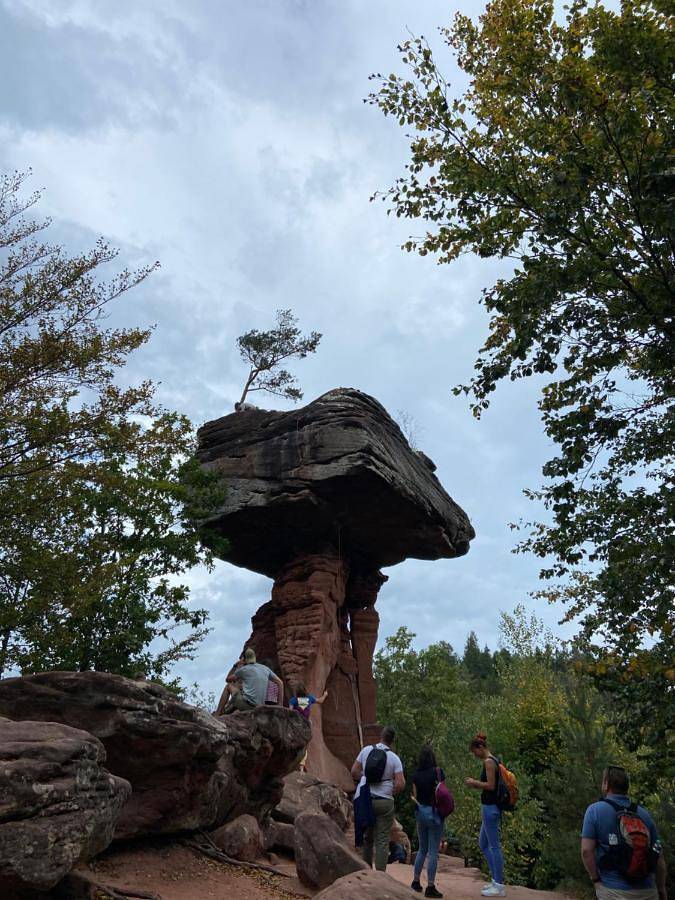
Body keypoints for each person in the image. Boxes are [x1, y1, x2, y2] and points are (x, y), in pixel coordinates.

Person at [581, 765, 667, 900]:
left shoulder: (595, 811)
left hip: (613, 891)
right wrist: (661, 887)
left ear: (606, 784)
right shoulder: (644, 814)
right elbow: (659, 857)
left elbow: (586, 851)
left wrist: (595, 879)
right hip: (648, 891)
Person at [351, 725, 405, 872]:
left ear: (381, 736)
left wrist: (365, 778)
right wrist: (390, 791)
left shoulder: (366, 750)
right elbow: (400, 784)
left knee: (368, 837)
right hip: (385, 801)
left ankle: (367, 870)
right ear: (392, 741)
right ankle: (380, 875)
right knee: (382, 839)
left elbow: (354, 771)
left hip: (366, 799)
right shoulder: (394, 758)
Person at [466, 731, 506, 897]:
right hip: (489, 808)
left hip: (491, 809)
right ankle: (495, 879)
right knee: (483, 844)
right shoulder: (494, 760)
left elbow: (490, 785)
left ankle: (499, 885)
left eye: (474, 751)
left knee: (494, 846)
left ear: (480, 747)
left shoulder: (489, 762)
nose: (475, 755)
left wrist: (474, 783)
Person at [410, 745, 445, 898]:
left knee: (422, 849)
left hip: (421, 813)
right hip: (434, 813)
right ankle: (430, 886)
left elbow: (415, 796)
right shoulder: (437, 772)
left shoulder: (415, 775)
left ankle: (416, 881)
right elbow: (442, 792)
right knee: (433, 852)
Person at [223, 648, 283, 712]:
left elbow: (227, 679)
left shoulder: (244, 670)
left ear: (244, 659)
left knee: (229, 686)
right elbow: (280, 683)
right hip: (260, 706)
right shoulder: (265, 668)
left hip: (248, 705)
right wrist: (280, 704)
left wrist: (235, 665)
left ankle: (218, 713)